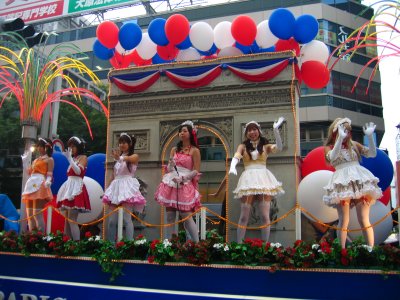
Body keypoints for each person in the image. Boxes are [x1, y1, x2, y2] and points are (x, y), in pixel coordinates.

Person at [323, 117, 382, 248]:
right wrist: (339, 139)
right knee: (344, 220)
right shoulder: (329, 148)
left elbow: (372, 154)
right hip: (341, 184)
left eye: (348, 131)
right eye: (343, 131)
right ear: (335, 132)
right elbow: (332, 157)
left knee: (364, 219)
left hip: (359, 181)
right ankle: (342, 251)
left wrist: (370, 136)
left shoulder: (354, 145)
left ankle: (370, 250)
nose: (347, 134)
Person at [229, 119, 285, 243]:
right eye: (249, 130)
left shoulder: (265, 146)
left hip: (264, 179)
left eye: (254, 129)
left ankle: (265, 246)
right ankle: (239, 246)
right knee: (244, 216)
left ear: (258, 131)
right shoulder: (243, 146)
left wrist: (276, 130)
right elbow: (237, 155)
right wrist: (233, 166)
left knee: (265, 216)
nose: (252, 132)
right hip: (248, 179)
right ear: (246, 133)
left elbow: (279, 148)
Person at [155, 120, 201, 242]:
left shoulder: (195, 151)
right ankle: (170, 243)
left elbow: (196, 170)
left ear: (191, 133)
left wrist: (184, 178)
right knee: (170, 216)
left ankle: (196, 244)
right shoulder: (174, 149)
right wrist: (171, 164)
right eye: (180, 131)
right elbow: (169, 169)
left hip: (185, 183)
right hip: (172, 181)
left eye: (185, 131)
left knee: (186, 216)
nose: (181, 133)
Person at [103, 133, 146, 242]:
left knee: (127, 219)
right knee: (112, 220)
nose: (122, 144)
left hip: (127, 187)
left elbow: (129, 158)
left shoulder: (134, 156)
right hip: (116, 188)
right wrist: (107, 190)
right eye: (120, 142)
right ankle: (111, 245)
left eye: (124, 142)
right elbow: (113, 176)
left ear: (130, 144)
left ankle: (129, 244)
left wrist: (120, 157)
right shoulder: (117, 160)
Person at [56, 136, 91, 240]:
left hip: (77, 188)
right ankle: (66, 242)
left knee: (72, 219)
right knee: (67, 219)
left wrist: (70, 160)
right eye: (70, 146)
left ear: (79, 146)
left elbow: (79, 171)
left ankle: (76, 243)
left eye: (73, 146)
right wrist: (71, 159)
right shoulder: (74, 158)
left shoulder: (83, 157)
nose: (71, 148)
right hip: (69, 187)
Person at [21, 138, 54, 231]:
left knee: (37, 214)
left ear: (46, 147)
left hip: (40, 184)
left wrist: (48, 181)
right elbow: (30, 172)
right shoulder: (36, 160)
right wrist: (24, 162)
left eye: (41, 146)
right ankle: (32, 238)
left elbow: (50, 173)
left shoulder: (49, 159)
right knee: (30, 215)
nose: (39, 148)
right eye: (38, 146)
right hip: (32, 184)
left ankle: (40, 239)